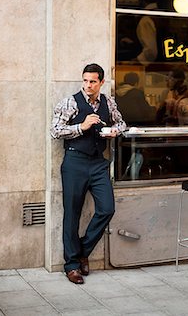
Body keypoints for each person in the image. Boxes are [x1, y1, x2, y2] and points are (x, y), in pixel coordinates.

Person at [50, 63, 126, 284]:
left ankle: (82, 250)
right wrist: (81, 127)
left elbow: (121, 123)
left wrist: (114, 131)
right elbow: (55, 130)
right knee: (72, 214)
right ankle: (72, 265)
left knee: (107, 208)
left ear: (101, 82)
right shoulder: (70, 102)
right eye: (85, 80)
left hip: (98, 163)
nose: (88, 85)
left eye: (93, 81)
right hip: (74, 162)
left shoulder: (108, 102)